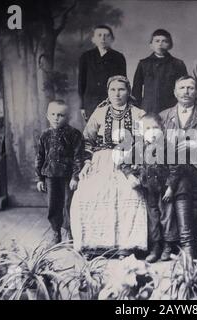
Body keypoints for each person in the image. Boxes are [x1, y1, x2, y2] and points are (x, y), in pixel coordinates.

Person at [70, 76, 147, 256]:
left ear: (128, 92)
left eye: (121, 89)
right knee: (89, 191)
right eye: (113, 90)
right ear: (108, 92)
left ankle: (126, 246)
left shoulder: (138, 113)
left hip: (128, 162)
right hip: (101, 160)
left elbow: (144, 140)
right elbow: (87, 141)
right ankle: (94, 245)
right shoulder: (100, 113)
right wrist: (87, 162)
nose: (117, 94)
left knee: (131, 192)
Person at [159, 76, 197, 260]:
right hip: (173, 171)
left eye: (191, 88)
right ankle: (187, 246)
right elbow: (155, 148)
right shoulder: (164, 116)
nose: (186, 91)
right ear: (174, 92)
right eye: (182, 88)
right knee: (180, 185)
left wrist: (195, 145)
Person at [119, 113, 180, 263]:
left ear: (162, 128)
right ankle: (155, 247)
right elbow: (124, 163)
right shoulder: (139, 147)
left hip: (164, 190)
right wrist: (131, 176)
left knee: (167, 217)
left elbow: (176, 168)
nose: (152, 131)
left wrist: (171, 187)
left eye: (155, 128)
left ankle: (168, 246)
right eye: (147, 128)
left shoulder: (168, 147)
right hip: (148, 190)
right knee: (153, 219)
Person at [35, 100, 84, 244]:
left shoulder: (74, 134)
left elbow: (78, 157)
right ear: (47, 116)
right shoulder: (44, 135)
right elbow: (40, 156)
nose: (56, 117)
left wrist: (75, 177)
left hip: (68, 176)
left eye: (61, 115)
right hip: (50, 176)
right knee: (53, 204)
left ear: (68, 117)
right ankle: (56, 232)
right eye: (53, 114)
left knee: (69, 204)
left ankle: (71, 232)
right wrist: (39, 178)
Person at [132, 29, 187, 114]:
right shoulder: (144, 64)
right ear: (151, 45)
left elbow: (184, 87)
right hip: (148, 108)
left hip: (171, 107)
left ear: (170, 45)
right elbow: (136, 89)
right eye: (157, 41)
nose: (160, 44)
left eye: (164, 41)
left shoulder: (178, 64)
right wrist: (137, 108)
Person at [78, 25, 127, 121]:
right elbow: (81, 82)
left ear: (112, 39)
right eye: (99, 35)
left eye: (106, 35)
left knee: (111, 129)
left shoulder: (118, 57)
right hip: (91, 101)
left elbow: (122, 82)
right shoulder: (86, 57)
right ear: (93, 39)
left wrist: (121, 103)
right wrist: (82, 105)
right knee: (92, 131)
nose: (103, 38)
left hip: (112, 100)